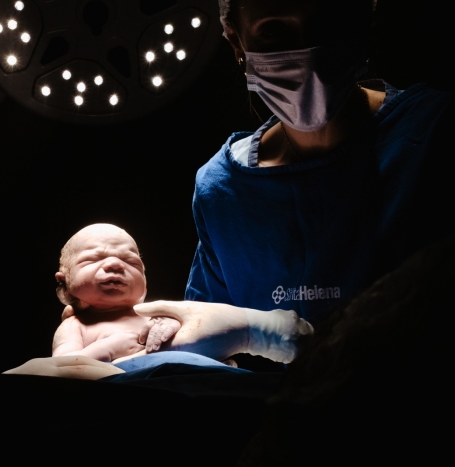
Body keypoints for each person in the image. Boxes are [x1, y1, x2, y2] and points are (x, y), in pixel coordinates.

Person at [133, 0, 453, 367]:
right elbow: (209, 363)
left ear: (365, 20)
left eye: (327, 23)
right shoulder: (223, 190)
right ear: (236, 41)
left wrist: (264, 334)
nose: (307, 50)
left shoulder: (433, 136)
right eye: (273, 31)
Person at [51, 224, 149, 362]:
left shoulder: (154, 316)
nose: (116, 264)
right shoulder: (76, 325)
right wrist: (107, 349)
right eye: (93, 259)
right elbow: (58, 366)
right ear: (65, 284)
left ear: (144, 284)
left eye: (131, 262)